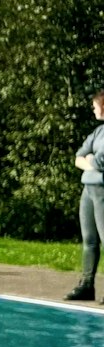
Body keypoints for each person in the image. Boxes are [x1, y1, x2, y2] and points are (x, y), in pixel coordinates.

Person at [68, 89, 104, 303]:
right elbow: (79, 157)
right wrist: (89, 161)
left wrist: (90, 162)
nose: (93, 109)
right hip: (88, 190)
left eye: (95, 105)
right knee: (89, 240)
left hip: (102, 190)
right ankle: (87, 285)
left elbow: (100, 162)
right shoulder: (98, 132)